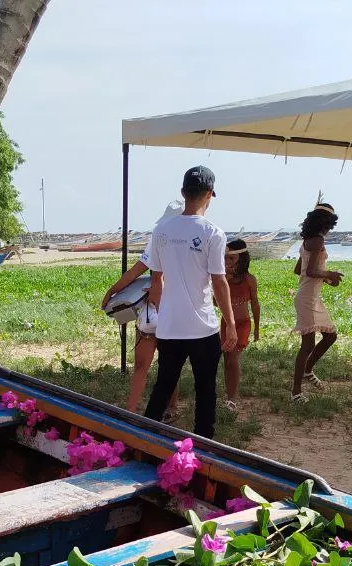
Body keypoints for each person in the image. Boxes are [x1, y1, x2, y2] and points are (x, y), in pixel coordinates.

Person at [142, 166, 236, 439]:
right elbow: (219, 282)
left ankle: (145, 441)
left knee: (163, 386)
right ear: (210, 194)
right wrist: (230, 323)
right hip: (203, 328)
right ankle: (203, 446)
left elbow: (156, 280)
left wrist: (157, 315)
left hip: (170, 326)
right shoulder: (213, 233)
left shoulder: (161, 230)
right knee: (205, 389)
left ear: (183, 193)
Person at [101, 201, 183, 418]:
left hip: (158, 310)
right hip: (167, 311)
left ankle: (140, 408)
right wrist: (112, 290)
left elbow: (137, 271)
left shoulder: (160, 237)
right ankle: (147, 408)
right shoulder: (166, 240)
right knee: (163, 364)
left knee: (153, 364)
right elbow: (137, 270)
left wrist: (112, 291)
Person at [291, 203, 341, 399]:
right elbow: (310, 271)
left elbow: (300, 270)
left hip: (310, 296)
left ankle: (307, 369)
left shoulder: (307, 241)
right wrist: (328, 273)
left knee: (330, 336)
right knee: (307, 345)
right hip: (307, 299)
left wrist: (327, 278)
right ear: (326, 224)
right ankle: (296, 392)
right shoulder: (318, 240)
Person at [221, 237, 259, 410]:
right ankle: (229, 394)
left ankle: (232, 399)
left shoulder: (250, 280)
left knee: (233, 359)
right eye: (225, 258)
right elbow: (216, 303)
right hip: (226, 323)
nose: (227, 262)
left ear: (241, 260)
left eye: (231, 259)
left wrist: (257, 328)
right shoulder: (223, 280)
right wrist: (224, 281)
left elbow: (255, 304)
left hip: (243, 324)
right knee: (227, 359)